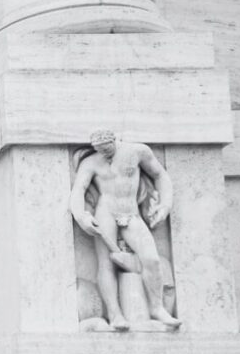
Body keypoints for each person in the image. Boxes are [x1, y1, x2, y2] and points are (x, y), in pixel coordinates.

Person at [69, 129, 181, 330]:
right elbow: (79, 189)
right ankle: (115, 314)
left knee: (152, 259)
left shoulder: (137, 152)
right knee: (106, 263)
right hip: (106, 212)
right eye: (100, 150)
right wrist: (82, 216)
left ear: (115, 140)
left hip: (131, 212)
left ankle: (157, 308)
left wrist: (165, 205)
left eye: (108, 149)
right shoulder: (91, 162)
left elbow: (160, 175)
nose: (105, 154)